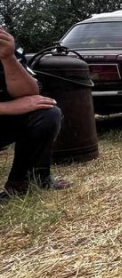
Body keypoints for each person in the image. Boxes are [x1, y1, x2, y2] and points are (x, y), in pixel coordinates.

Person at [0, 26, 71, 201]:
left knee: (45, 113)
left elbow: (30, 91)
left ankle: (24, 181)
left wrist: (8, 58)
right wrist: (7, 107)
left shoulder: (7, 48)